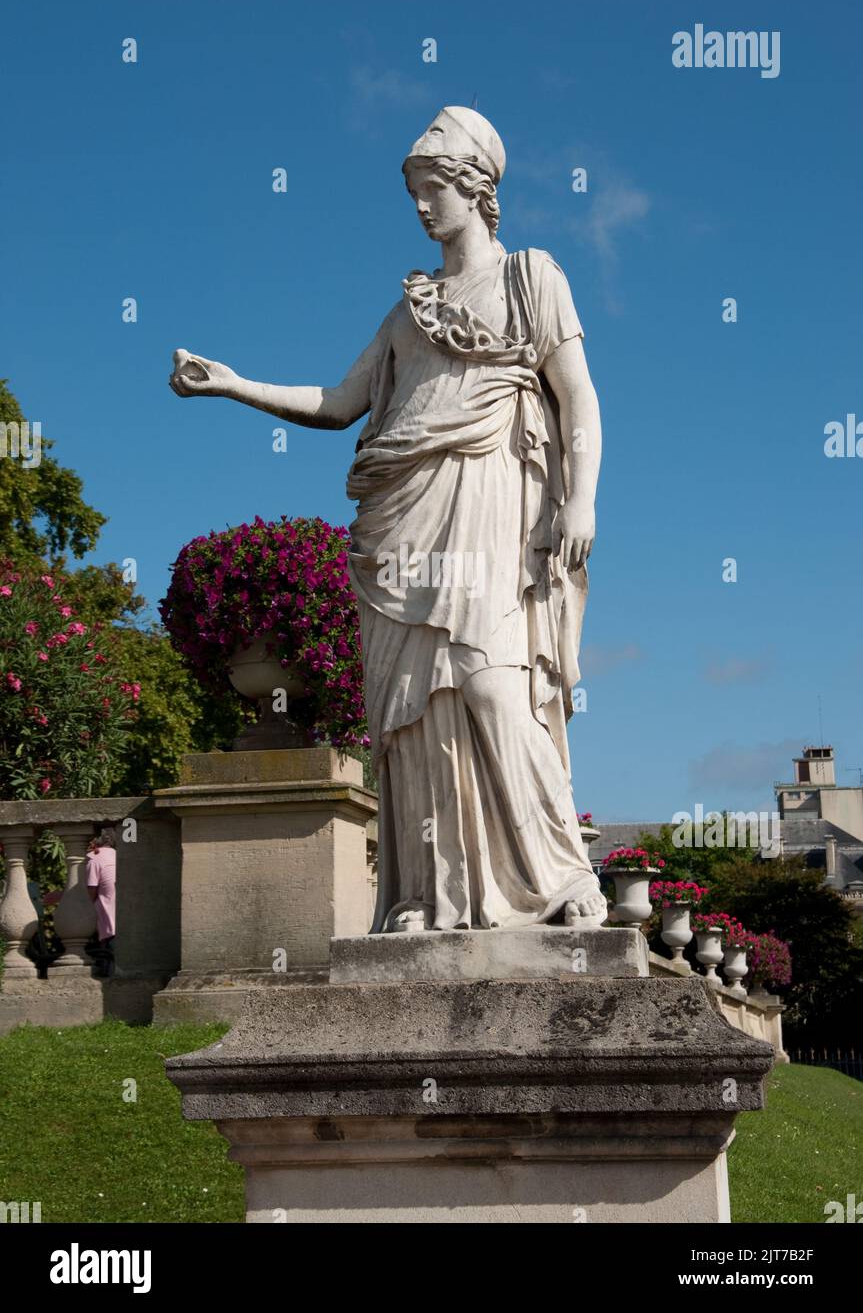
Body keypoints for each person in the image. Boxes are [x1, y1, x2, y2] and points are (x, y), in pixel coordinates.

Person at [169, 105, 607, 934]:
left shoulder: (529, 277)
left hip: (489, 494)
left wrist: (579, 497)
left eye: (433, 186)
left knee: (488, 683)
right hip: (401, 515)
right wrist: (233, 384)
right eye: (413, 189)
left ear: (476, 188)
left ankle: (557, 877)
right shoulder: (409, 309)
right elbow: (340, 404)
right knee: (414, 709)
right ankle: (431, 896)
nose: (420, 205)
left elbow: (578, 395)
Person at [85, 827, 117, 977]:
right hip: (120, 912)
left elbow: (91, 891)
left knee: (108, 950)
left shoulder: (95, 859)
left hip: (107, 914)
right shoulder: (117, 855)